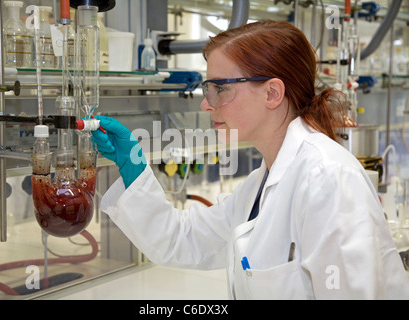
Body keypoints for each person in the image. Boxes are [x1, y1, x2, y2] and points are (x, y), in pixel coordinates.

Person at [91, 20, 409, 299]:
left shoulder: (327, 179)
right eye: (206, 88)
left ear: (272, 93)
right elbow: (181, 240)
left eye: (219, 88)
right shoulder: (262, 182)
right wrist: (133, 167)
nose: (206, 104)